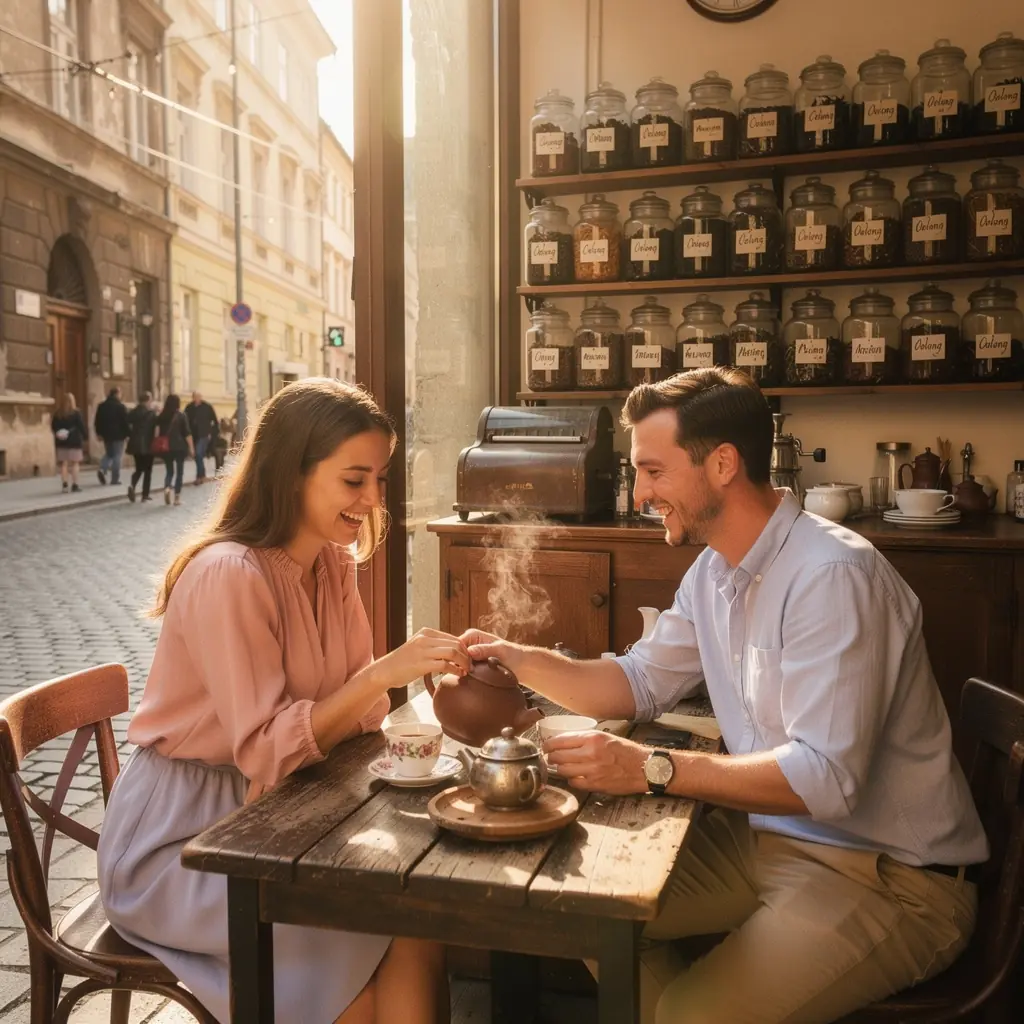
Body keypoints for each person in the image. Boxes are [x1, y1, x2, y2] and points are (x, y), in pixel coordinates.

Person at [461, 368, 988, 1024]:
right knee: (588, 912)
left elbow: (827, 781)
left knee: (692, 1015)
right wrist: (513, 659)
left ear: (722, 464)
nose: (641, 491)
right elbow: (639, 681)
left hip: (893, 878)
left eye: (654, 471)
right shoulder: (715, 570)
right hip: (776, 843)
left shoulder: (833, 576)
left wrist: (654, 769)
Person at [97, 377, 465, 1024]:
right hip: (182, 845)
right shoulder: (228, 575)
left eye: (379, 478)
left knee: (417, 924)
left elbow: (361, 722)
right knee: (368, 968)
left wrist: (385, 692)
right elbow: (268, 749)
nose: (373, 498)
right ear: (291, 473)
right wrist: (381, 674)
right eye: (355, 480)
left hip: (281, 816)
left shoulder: (331, 565)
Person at [156, 395, 193, 506]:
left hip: (166, 447)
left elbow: (157, 432)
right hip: (179, 447)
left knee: (169, 470)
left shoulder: (162, 416)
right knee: (180, 472)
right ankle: (177, 497)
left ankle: (167, 487)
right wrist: (191, 447)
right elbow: (187, 433)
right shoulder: (181, 415)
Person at [51, 392, 88, 493]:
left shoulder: (58, 413)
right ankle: (75, 485)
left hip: (61, 442)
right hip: (74, 441)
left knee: (64, 464)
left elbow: (53, 427)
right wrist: (85, 437)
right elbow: (81, 427)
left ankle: (64, 485)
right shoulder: (76, 413)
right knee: (75, 464)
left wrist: (59, 433)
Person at [94, 386, 130, 486]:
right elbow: (125, 422)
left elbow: (97, 421)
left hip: (106, 435)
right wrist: (128, 434)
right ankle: (115, 479)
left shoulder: (102, 406)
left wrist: (99, 433)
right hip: (118, 435)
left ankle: (102, 468)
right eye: (120, 394)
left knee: (109, 454)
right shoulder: (121, 407)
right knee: (117, 456)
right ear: (117, 394)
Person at [126, 391, 158, 503]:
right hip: (148, 445)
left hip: (135, 444)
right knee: (148, 470)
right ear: (148, 400)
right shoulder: (151, 413)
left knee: (139, 468)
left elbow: (127, 424)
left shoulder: (133, 412)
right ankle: (145, 495)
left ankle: (132, 485)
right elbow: (156, 429)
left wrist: (131, 435)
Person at [186, 390, 218, 485]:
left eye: (198, 396)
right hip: (194, 435)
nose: (197, 399)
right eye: (195, 397)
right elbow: (185, 421)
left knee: (199, 454)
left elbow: (215, 421)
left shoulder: (207, 407)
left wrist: (211, 433)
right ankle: (202, 475)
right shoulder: (189, 407)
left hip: (204, 434)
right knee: (197, 456)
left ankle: (199, 477)